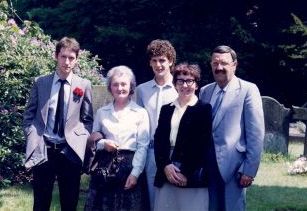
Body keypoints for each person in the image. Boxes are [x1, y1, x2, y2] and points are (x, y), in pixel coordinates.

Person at [23, 37, 94, 211]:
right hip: (44, 149)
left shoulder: (83, 85)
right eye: (63, 57)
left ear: (76, 59)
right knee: (40, 202)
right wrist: (31, 134)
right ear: (55, 56)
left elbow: (88, 119)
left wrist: (81, 138)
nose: (67, 62)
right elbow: (29, 114)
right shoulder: (41, 82)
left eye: (71, 58)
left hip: (69, 150)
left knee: (69, 203)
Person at [199, 45, 265, 211]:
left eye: (224, 63)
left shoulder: (248, 90)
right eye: (215, 63)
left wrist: (249, 170)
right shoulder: (205, 92)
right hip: (207, 168)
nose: (219, 67)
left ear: (234, 64)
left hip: (234, 169)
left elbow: (256, 134)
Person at [85, 65, 150, 211]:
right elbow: (94, 140)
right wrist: (104, 143)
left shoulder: (140, 113)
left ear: (131, 86)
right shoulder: (102, 112)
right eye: (115, 84)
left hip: (130, 167)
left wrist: (135, 173)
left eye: (123, 84)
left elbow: (143, 146)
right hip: (106, 168)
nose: (119, 88)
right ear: (110, 87)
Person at [154, 63, 212, 211]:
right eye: (180, 81)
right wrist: (165, 165)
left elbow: (203, 144)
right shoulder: (166, 109)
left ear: (197, 85)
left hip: (192, 170)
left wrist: (185, 172)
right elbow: (159, 140)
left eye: (189, 81)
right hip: (167, 166)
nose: (185, 85)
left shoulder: (203, 109)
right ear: (175, 84)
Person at [135, 39, 178, 210]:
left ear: (170, 61)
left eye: (162, 60)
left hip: (174, 150)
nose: (158, 65)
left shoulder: (180, 87)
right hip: (150, 152)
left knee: (174, 199)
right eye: (154, 60)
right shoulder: (142, 90)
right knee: (153, 199)